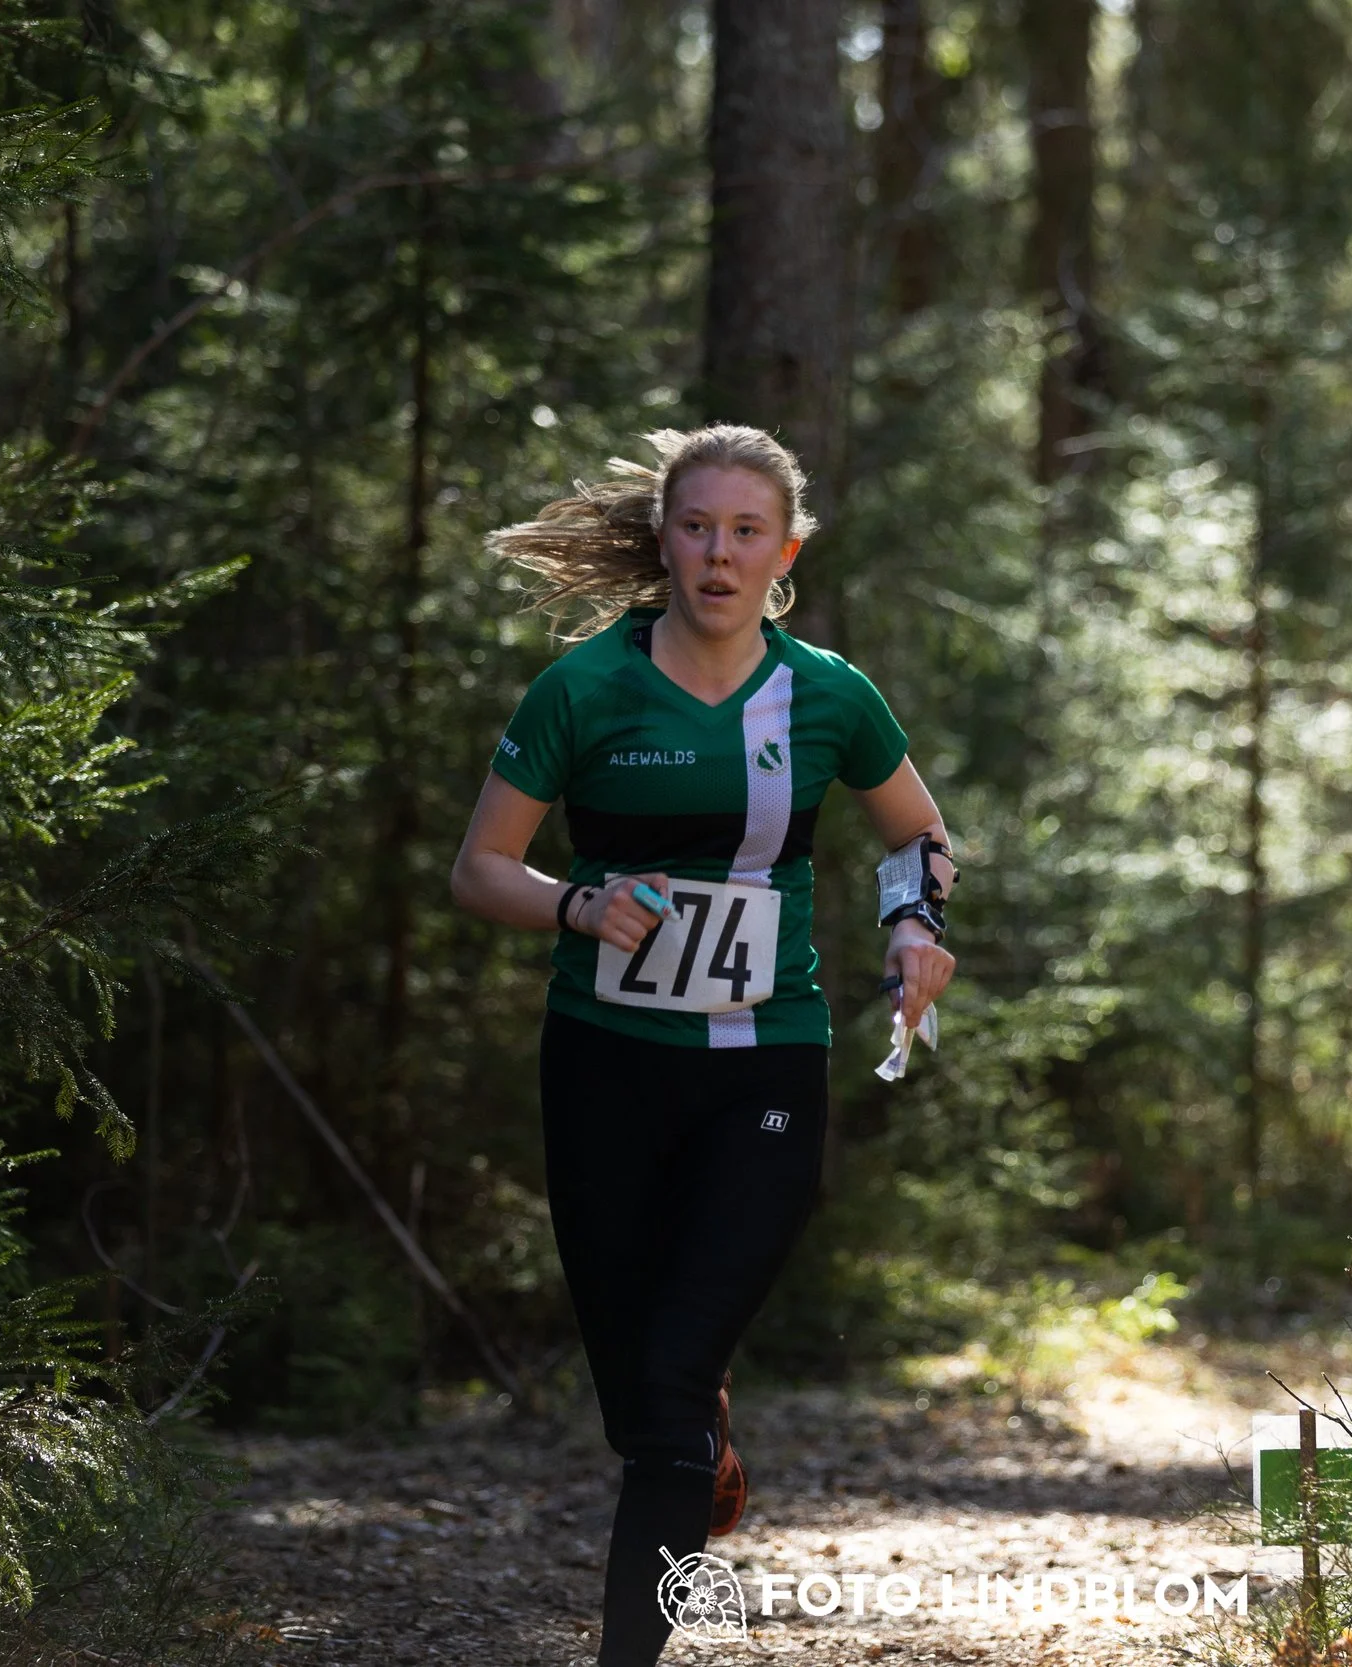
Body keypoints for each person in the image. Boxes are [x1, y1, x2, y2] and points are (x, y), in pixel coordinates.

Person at [450, 425, 958, 1666]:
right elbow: (478, 868)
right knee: (641, 1402)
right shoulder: (583, 689)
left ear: (784, 550)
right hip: (605, 1060)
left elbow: (918, 833)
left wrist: (912, 924)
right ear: (663, 541)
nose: (718, 554)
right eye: (696, 528)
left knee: (672, 1391)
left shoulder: (830, 692)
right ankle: (699, 1445)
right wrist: (577, 902)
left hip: (765, 1067)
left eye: (745, 532)